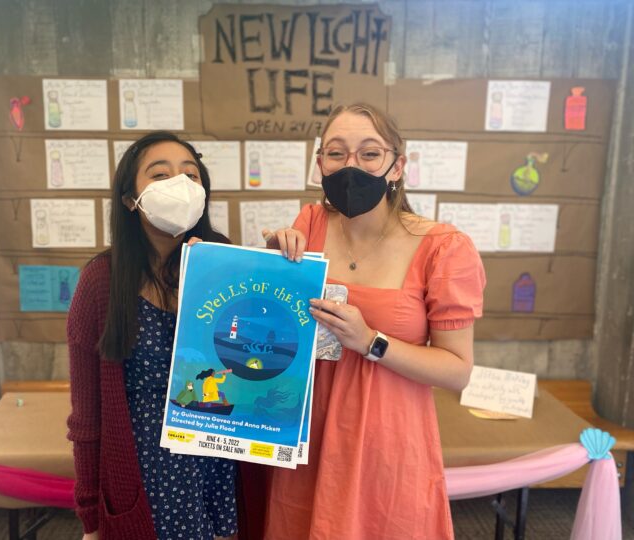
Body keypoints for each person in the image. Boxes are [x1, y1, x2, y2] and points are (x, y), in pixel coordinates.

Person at [261, 103, 486, 539]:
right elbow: (278, 320)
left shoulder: (444, 248)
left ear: (397, 166)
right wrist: (267, 263)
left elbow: (457, 371)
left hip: (388, 440)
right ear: (320, 163)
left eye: (369, 153)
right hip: (307, 428)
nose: (351, 166)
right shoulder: (309, 224)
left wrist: (370, 341)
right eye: (336, 153)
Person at [66, 131, 238, 540]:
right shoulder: (100, 281)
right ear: (130, 199)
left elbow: (251, 368)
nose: (179, 184)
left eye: (190, 175)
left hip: (216, 472)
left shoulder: (225, 264)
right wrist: (91, 518)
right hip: (145, 476)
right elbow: (86, 420)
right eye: (159, 175)